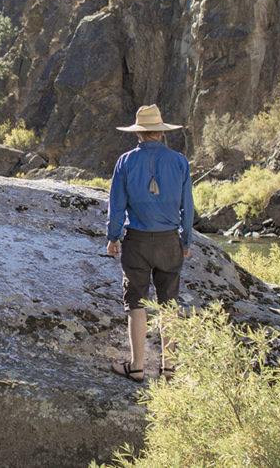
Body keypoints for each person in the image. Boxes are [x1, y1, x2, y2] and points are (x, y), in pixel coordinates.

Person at [106, 104, 194, 382]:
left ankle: (138, 367)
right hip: (170, 241)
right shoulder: (180, 162)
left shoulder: (125, 161)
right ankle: (169, 369)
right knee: (169, 304)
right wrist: (186, 238)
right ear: (161, 133)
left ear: (139, 134)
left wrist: (113, 237)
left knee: (136, 303)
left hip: (137, 243)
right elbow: (188, 207)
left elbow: (116, 205)